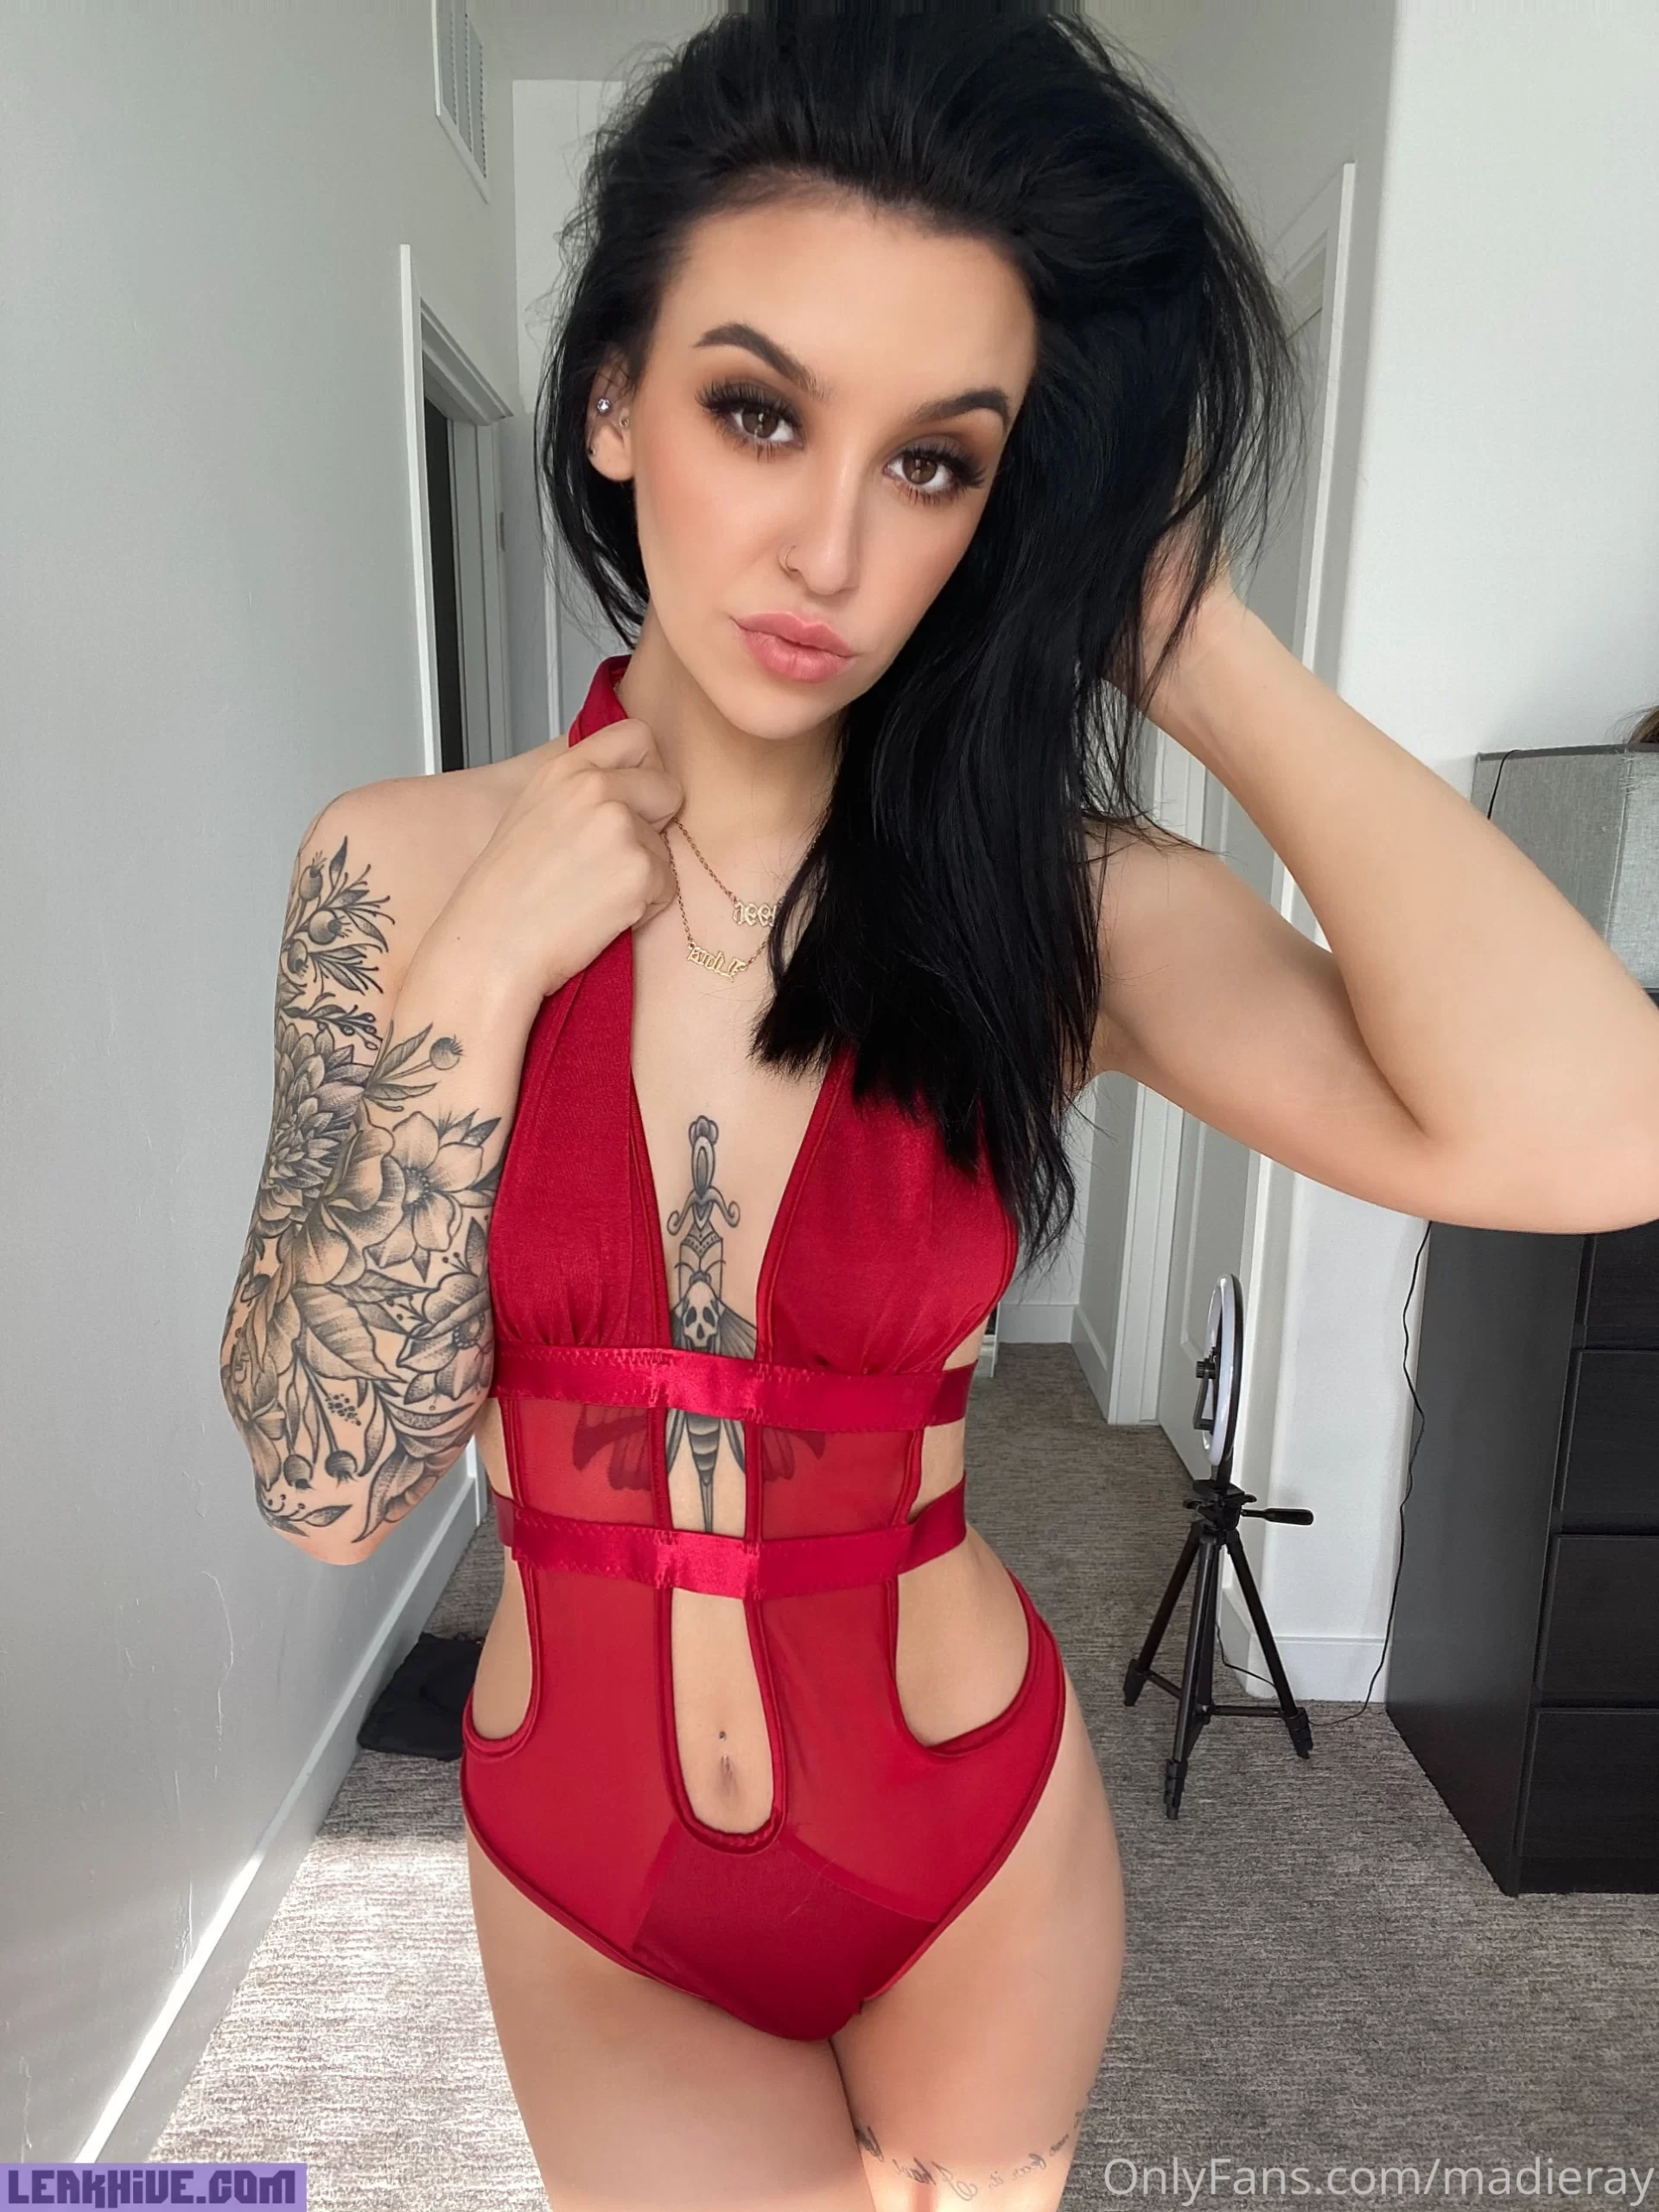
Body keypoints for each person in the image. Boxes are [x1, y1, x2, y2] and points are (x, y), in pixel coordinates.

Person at [218, 5, 1659, 2206]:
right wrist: (489, 968)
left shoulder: (1060, 905)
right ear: (611, 399)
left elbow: (1593, 1134)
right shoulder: (399, 871)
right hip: (596, 1869)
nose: (829, 545)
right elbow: (327, 1489)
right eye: (757, 410)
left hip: (963, 1835)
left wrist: (1178, 629)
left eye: (934, 462)